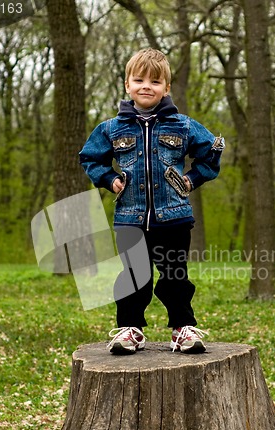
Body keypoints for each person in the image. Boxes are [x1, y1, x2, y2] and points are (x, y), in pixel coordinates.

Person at [79, 48, 225, 355]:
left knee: (175, 274)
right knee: (133, 276)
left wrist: (191, 179)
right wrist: (109, 179)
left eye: (155, 81)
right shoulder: (111, 128)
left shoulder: (182, 125)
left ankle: (182, 328)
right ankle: (130, 329)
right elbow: (90, 157)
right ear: (127, 85)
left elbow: (212, 152)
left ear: (166, 88)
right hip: (130, 217)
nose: (147, 86)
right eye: (139, 79)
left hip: (174, 217)